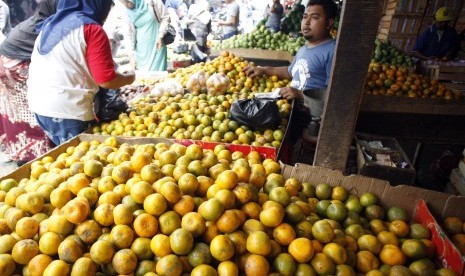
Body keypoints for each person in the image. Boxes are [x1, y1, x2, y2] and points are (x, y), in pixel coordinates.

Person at [27, 0, 135, 146]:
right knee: (81, 160)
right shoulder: (91, 29)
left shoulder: (50, 25)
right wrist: (129, 77)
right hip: (68, 110)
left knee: (63, 158)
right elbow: (106, 80)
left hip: (40, 106)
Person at [245, 0, 337, 104]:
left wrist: (300, 94)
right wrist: (263, 70)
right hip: (291, 109)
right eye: (305, 17)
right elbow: (290, 72)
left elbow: (336, 93)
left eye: (314, 17)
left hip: (312, 117)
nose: (307, 22)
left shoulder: (333, 52)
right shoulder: (303, 49)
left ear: (329, 23)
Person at [0, 0, 58, 164]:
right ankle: (37, 155)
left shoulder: (40, 18)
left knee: (16, 110)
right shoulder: (52, 23)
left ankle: (21, 153)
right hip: (15, 63)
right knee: (34, 107)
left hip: (5, 59)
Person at [121, 0, 170, 71]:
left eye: (128, 2)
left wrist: (160, 35)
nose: (126, 5)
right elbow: (128, 35)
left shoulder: (152, 2)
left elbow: (166, 17)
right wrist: (131, 56)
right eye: (123, 3)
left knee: (159, 76)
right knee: (144, 78)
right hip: (141, 51)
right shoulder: (127, 13)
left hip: (157, 46)